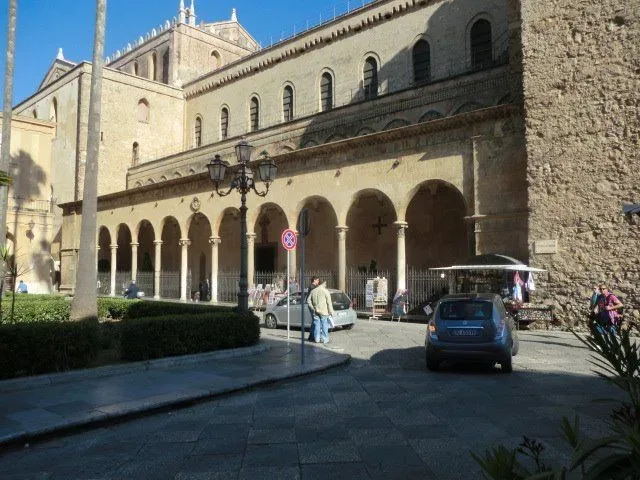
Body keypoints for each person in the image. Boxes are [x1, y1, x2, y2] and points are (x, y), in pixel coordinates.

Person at [307, 279, 334, 344]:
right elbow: (329, 302)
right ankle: (325, 339)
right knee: (324, 324)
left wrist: (312, 308)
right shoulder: (325, 291)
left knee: (317, 324)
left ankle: (317, 339)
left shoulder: (313, 291)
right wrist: (331, 311)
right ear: (323, 283)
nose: (326, 285)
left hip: (315, 311)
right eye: (325, 284)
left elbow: (308, 300)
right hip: (324, 311)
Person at [306, 276, 320, 341]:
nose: (318, 281)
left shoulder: (314, 287)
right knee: (315, 321)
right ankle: (312, 337)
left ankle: (311, 336)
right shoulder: (312, 287)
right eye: (317, 280)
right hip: (312, 305)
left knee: (314, 321)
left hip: (312, 305)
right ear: (314, 280)